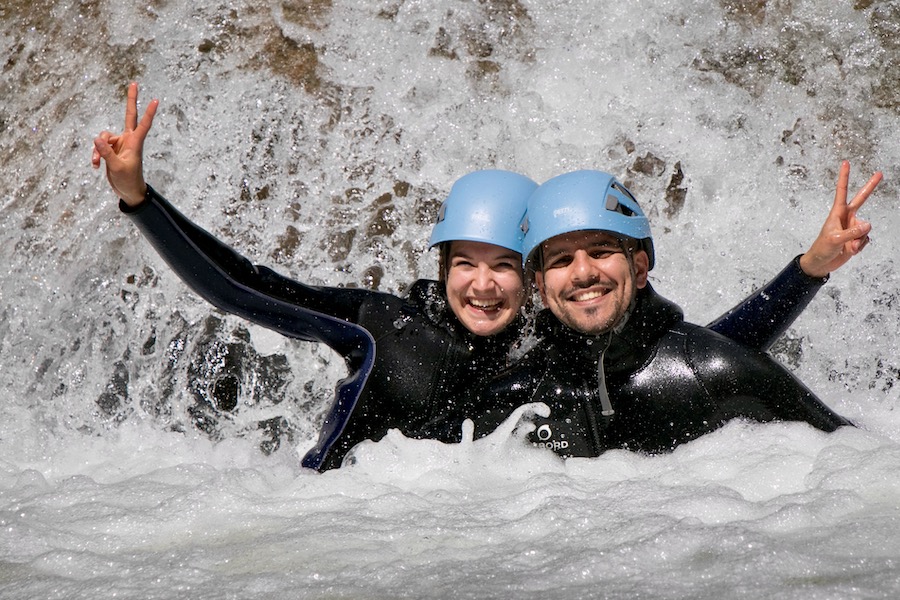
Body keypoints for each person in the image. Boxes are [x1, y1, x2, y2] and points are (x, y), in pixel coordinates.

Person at [92, 83, 875, 470]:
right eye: (466, 265)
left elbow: (689, 354)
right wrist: (138, 197)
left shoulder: (550, 342)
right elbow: (244, 289)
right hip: (338, 523)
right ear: (441, 268)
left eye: (505, 267)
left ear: (529, 284)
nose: (483, 286)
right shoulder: (384, 327)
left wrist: (806, 272)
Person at [424, 166, 882, 458]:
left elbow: (865, 467)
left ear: (639, 267)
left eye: (601, 251)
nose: (583, 273)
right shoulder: (519, 394)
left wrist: (808, 270)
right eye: (562, 260)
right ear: (540, 288)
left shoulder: (715, 370)